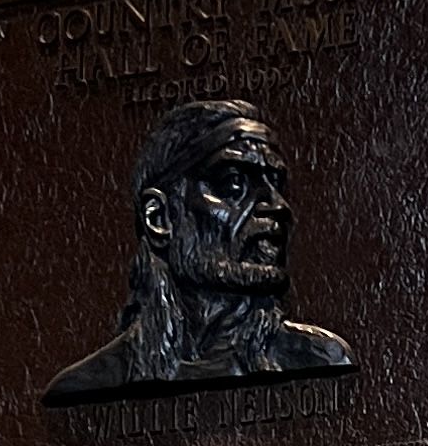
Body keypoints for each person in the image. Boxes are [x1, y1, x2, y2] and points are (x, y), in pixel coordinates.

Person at [46, 99, 355, 399]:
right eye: (233, 182)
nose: (277, 206)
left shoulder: (318, 359)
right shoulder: (92, 382)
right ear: (159, 218)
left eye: (275, 182)